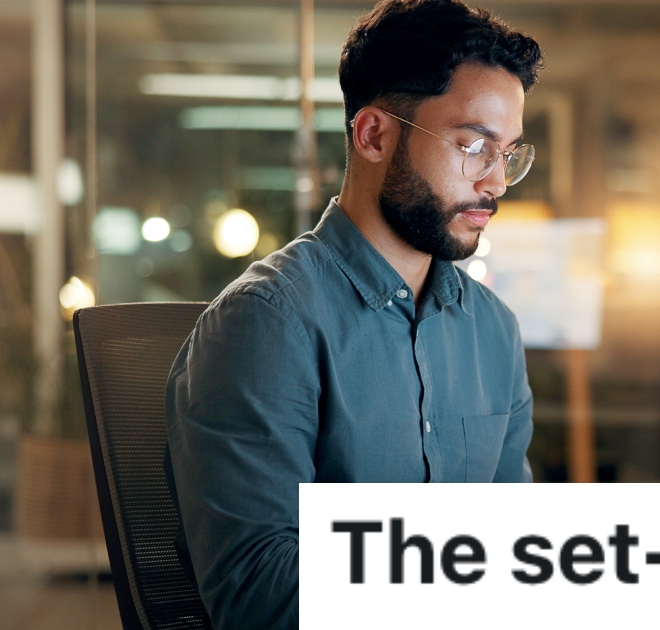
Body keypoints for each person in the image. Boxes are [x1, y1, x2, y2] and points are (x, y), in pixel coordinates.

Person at [164, 1, 543, 627]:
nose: (496, 182)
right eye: (474, 145)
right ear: (374, 136)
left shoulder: (492, 331)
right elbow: (260, 595)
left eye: (507, 153)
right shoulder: (266, 322)